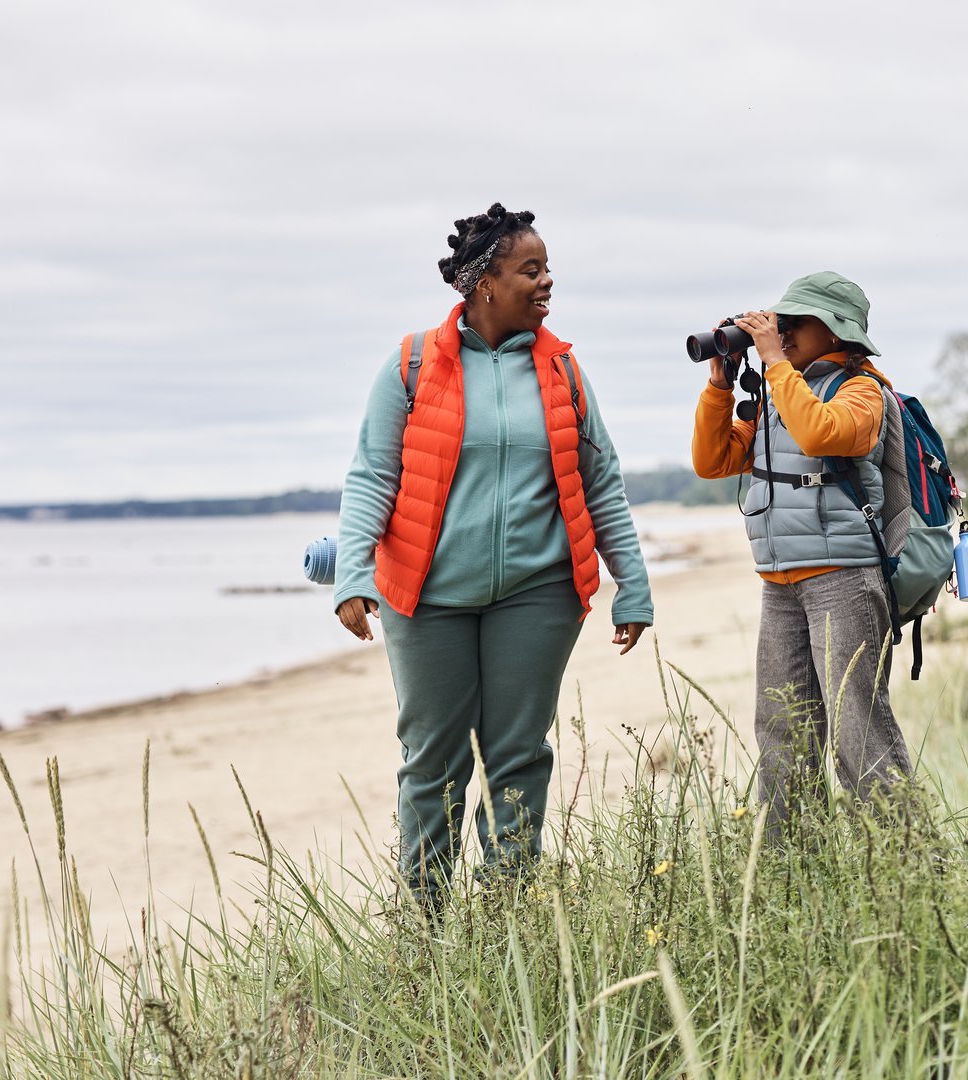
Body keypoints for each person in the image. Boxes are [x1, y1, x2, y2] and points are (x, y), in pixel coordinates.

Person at [333, 203, 653, 905]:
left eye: (547, 271)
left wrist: (633, 582)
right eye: (529, 271)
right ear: (484, 283)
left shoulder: (563, 370)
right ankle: (423, 930)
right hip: (426, 596)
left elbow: (602, 482)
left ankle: (506, 919)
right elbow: (372, 476)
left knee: (517, 758)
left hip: (538, 595)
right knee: (432, 765)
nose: (545, 285)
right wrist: (354, 571)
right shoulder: (413, 364)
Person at [691, 272, 913, 836]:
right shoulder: (777, 392)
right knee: (782, 730)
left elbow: (820, 434)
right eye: (779, 322)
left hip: (846, 578)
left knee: (857, 731)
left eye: (796, 323)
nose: (783, 332)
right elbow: (713, 460)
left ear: (836, 331)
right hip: (780, 582)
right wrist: (721, 384)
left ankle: (909, 869)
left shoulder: (862, 391)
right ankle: (795, 876)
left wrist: (772, 361)